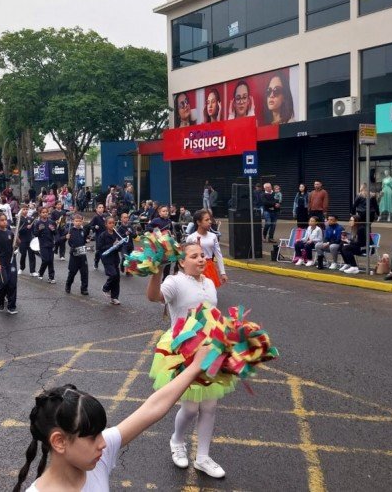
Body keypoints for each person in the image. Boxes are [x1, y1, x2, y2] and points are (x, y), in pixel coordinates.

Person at [13, 344, 212, 492]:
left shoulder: (95, 460)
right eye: (92, 437)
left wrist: (195, 368)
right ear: (59, 441)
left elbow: (152, 408)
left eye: (100, 433)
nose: (103, 443)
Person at [147, 242, 230, 479]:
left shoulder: (210, 282)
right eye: (194, 256)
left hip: (210, 348)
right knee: (191, 407)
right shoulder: (175, 281)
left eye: (202, 255)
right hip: (184, 350)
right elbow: (154, 297)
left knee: (210, 406)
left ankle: (203, 457)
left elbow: (212, 313)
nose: (202, 259)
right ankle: (177, 441)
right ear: (182, 262)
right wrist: (155, 271)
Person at [185, 209, 227, 287]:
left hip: (209, 267)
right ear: (198, 222)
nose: (210, 222)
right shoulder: (191, 238)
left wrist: (223, 272)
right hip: (195, 268)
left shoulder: (213, 236)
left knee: (210, 293)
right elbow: (185, 257)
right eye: (207, 220)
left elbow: (218, 255)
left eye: (210, 219)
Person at [0, 212, 18, 315]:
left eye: (5, 219)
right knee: (4, 283)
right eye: (2, 220)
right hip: (0, 261)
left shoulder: (10, 233)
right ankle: (0, 300)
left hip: (11, 261)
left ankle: (11, 306)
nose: (5, 221)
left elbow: (17, 244)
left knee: (12, 283)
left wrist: (17, 238)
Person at [97, 217, 122, 305]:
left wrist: (119, 245)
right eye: (110, 223)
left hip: (115, 258)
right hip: (107, 258)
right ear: (106, 224)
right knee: (113, 274)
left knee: (117, 278)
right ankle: (105, 288)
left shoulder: (117, 234)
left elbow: (120, 247)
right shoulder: (103, 235)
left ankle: (114, 297)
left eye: (113, 223)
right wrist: (112, 245)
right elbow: (99, 247)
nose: (112, 225)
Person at [65, 213, 90, 295]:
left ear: (82, 222)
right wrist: (67, 237)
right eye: (76, 221)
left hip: (82, 254)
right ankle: (68, 285)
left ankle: (84, 289)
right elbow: (69, 242)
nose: (78, 223)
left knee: (84, 273)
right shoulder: (70, 231)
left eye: (80, 221)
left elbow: (84, 240)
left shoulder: (83, 231)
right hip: (74, 254)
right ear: (73, 222)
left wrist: (86, 240)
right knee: (72, 272)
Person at [33, 207, 57, 283]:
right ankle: (41, 272)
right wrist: (39, 230)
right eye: (43, 212)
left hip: (51, 243)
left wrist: (53, 229)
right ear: (40, 214)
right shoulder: (37, 223)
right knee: (46, 260)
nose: (45, 214)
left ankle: (51, 277)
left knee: (51, 261)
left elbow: (55, 233)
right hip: (43, 244)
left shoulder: (51, 222)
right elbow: (35, 234)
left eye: (46, 212)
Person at [89, 204, 108, 270]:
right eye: (99, 207)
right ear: (96, 209)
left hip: (106, 235)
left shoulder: (105, 216)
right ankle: (96, 262)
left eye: (102, 207)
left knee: (107, 249)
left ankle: (107, 264)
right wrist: (94, 227)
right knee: (98, 250)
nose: (101, 208)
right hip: (99, 236)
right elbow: (90, 226)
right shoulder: (95, 217)